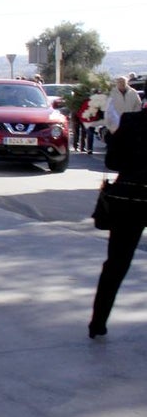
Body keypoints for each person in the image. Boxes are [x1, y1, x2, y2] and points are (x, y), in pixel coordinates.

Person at [89, 110, 147, 338]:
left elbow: (112, 161)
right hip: (132, 199)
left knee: (116, 264)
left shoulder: (131, 120)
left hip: (129, 199)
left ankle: (98, 322)